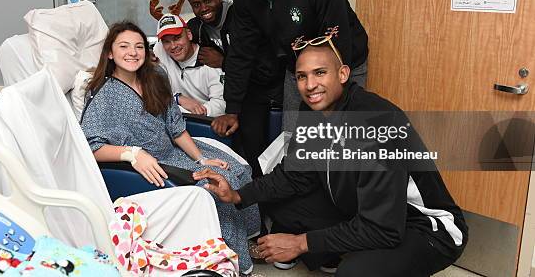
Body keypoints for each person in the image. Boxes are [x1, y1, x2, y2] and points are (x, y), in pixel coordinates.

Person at [195, 30, 467, 276]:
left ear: (343, 74)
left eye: (320, 73)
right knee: (282, 206)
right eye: (302, 76)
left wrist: (301, 243)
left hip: (420, 225)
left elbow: (384, 227)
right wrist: (238, 194)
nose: (310, 85)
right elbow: (294, 176)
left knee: (355, 273)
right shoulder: (314, 110)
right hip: (364, 207)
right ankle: (337, 250)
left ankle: (370, 260)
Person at [80, 21, 259, 274]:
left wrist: (200, 159)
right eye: (124, 46)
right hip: (152, 166)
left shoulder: (156, 77)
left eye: (139, 46)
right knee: (219, 184)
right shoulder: (103, 96)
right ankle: (232, 260)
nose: (133, 52)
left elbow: (175, 126)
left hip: (175, 151)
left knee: (238, 169)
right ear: (110, 53)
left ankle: (246, 241)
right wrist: (132, 154)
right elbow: (90, 147)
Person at [212, 0, 369, 178]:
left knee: (338, 137)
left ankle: (342, 202)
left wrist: (327, 91)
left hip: (343, 62)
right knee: (296, 139)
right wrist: (233, 108)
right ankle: (299, 201)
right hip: (295, 66)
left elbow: (336, 37)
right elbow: (241, 51)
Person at [152, 13, 226, 117]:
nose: (173, 46)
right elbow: (147, 90)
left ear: (189, 35)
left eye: (177, 38)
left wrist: (198, 111)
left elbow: (221, 105)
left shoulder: (209, 60)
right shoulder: (160, 51)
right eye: (166, 41)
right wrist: (178, 99)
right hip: (175, 118)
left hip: (203, 121)